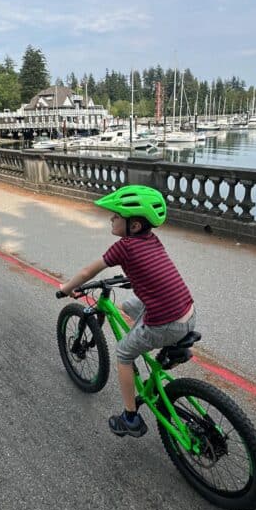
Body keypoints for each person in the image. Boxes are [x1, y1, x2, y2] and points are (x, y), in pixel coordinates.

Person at [59, 185, 195, 438]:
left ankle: (130, 417)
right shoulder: (152, 240)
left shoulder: (123, 247)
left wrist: (67, 288)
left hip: (166, 323)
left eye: (116, 216)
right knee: (131, 305)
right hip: (187, 313)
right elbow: (153, 272)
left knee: (123, 353)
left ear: (133, 226)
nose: (111, 218)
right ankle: (173, 350)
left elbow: (89, 272)